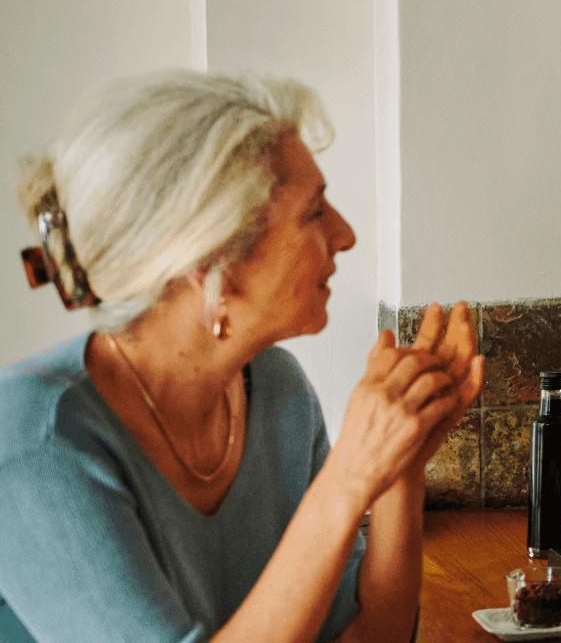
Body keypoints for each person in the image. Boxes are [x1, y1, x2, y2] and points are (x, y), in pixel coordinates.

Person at [0, 71, 484, 642]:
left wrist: (401, 469)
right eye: (315, 212)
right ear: (215, 266)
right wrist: (347, 480)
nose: (346, 234)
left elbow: (369, 637)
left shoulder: (276, 387)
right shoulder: (33, 440)